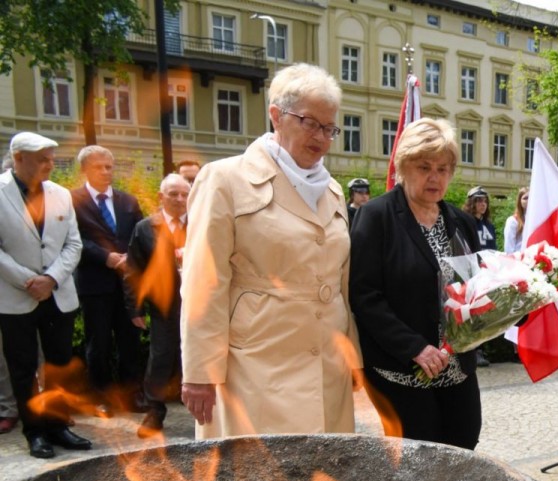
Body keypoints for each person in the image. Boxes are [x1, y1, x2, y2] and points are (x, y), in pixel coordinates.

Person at [180, 63, 360, 438]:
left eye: (329, 128)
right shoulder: (225, 179)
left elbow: (342, 283)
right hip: (256, 362)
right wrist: (199, 372)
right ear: (276, 116)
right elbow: (203, 280)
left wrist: (352, 356)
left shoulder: (333, 191)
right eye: (310, 123)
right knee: (258, 480)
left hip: (326, 361)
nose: (321, 137)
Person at [349, 118, 483, 450]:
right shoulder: (376, 217)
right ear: (403, 166)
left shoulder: (462, 223)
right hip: (402, 370)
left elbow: (476, 288)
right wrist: (415, 348)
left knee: (464, 450)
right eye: (424, 167)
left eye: (443, 168)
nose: (435, 177)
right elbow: (364, 296)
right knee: (417, 463)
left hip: (457, 367)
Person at [0, 132, 89, 458]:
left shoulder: (61, 194)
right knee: (22, 369)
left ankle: (57, 426)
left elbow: (73, 244)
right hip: (15, 297)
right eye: (44, 159)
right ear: (19, 158)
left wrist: (50, 278)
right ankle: (34, 432)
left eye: (52, 158)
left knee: (59, 365)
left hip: (58, 294)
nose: (51, 164)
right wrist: (29, 281)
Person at [72, 145, 145, 412]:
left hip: (127, 283)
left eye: (108, 166)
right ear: (84, 170)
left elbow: (140, 234)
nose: (105, 172)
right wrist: (106, 257)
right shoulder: (72, 200)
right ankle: (101, 396)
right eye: (98, 167)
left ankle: (131, 393)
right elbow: (74, 240)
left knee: (130, 341)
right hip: (95, 283)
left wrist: (131, 258)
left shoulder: (128, 201)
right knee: (98, 343)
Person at [124, 173, 189, 438]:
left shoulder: (202, 223)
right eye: (174, 194)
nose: (180, 199)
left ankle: (208, 414)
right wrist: (135, 307)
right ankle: (155, 411)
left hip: (199, 305)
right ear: (161, 197)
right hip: (163, 306)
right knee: (160, 357)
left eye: (185, 194)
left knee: (201, 355)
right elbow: (133, 269)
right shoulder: (145, 227)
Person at [503, 186, 528, 254]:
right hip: (518, 260)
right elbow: (509, 249)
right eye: (525, 198)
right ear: (519, 201)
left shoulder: (538, 220)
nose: (528, 201)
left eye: (531, 198)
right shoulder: (513, 221)